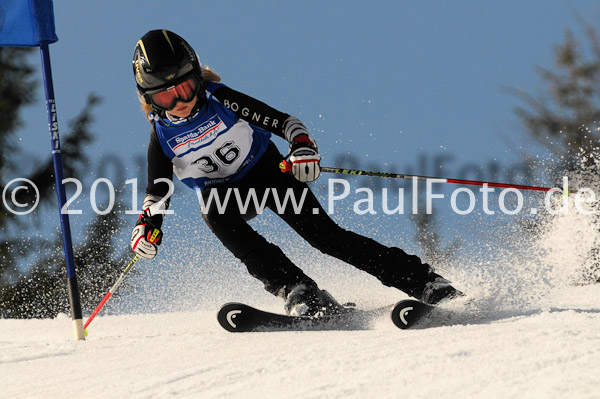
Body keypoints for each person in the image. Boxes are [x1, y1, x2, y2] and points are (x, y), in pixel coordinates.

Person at [130, 29, 463, 317]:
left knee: (326, 239)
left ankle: (425, 282)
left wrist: (302, 148)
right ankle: (297, 288)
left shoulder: (221, 100)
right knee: (214, 213)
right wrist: (148, 226)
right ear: (150, 99)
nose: (180, 101)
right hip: (227, 196)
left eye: (186, 87)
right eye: (166, 95)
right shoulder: (161, 137)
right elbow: (157, 191)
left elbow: (285, 123)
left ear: (197, 78)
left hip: (269, 174)